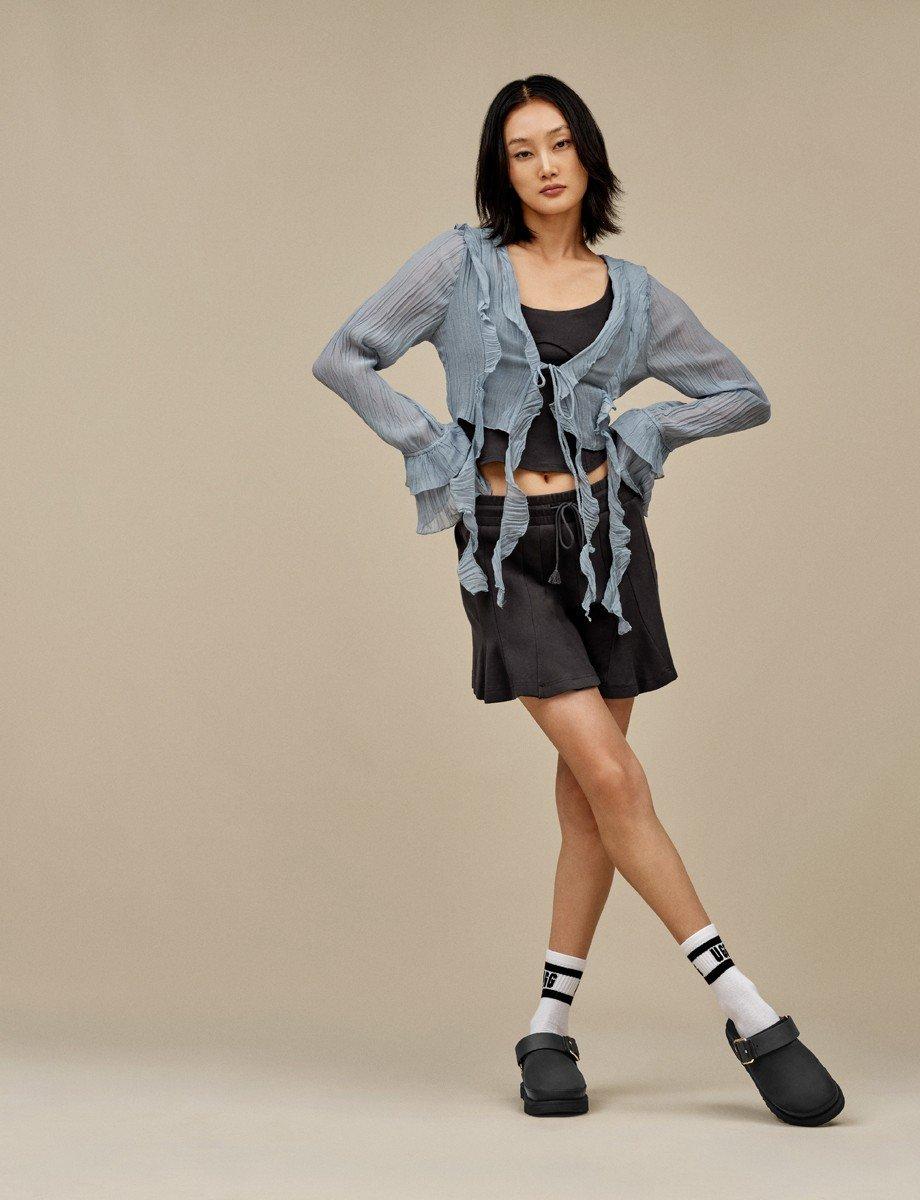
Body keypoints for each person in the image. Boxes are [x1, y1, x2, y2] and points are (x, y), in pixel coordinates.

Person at [312, 74, 844, 1125]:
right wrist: (433, 447)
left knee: (589, 800)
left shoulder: (635, 296)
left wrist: (645, 431)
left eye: (559, 143)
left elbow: (741, 393)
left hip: (608, 550)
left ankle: (547, 1029)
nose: (545, 165)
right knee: (613, 776)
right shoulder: (460, 267)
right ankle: (749, 1012)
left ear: (588, 155)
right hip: (505, 548)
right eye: (522, 151)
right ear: (500, 170)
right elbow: (347, 356)